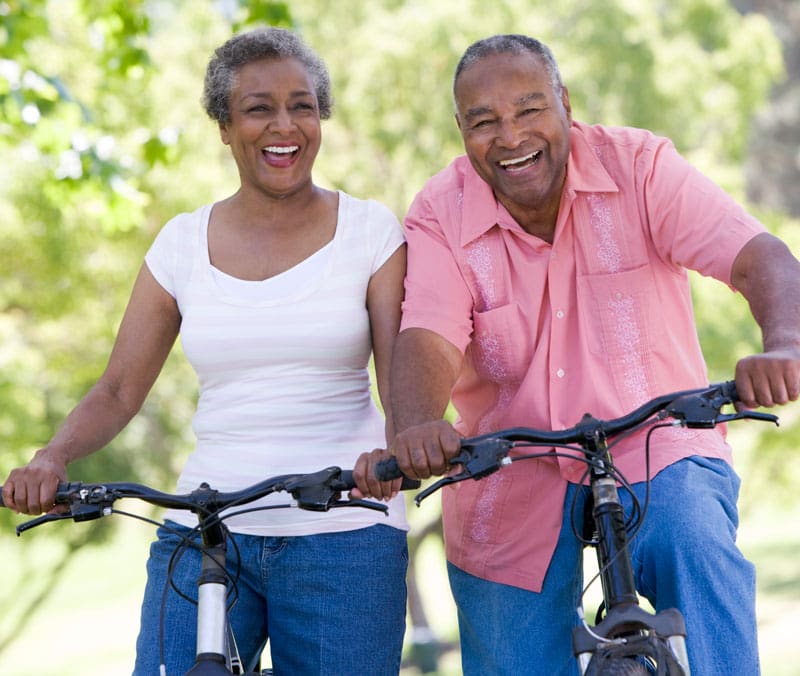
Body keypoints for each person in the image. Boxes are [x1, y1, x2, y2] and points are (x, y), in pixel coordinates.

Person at [354, 34, 800, 676]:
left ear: (564, 104)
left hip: (655, 440)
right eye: (484, 122)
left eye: (529, 110)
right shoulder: (439, 213)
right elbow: (427, 334)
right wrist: (418, 425)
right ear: (461, 131)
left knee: (694, 542)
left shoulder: (638, 166)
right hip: (508, 461)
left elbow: (761, 259)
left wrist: (782, 347)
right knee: (511, 651)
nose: (509, 137)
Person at [2, 27, 409, 675]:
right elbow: (118, 390)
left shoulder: (370, 232)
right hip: (207, 525)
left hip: (345, 531)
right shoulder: (181, 244)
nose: (286, 125)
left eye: (302, 105)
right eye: (258, 108)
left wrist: (400, 448)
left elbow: (403, 384)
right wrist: (52, 456)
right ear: (223, 126)